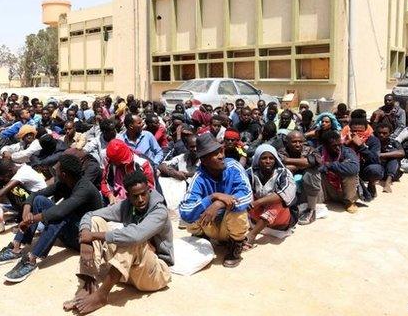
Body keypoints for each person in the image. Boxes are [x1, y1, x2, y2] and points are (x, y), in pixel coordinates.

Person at [63, 171, 173, 314]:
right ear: (128, 196)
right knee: (96, 221)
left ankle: (101, 295)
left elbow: (136, 236)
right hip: (128, 272)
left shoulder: (160, 211)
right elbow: (90, 215)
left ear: (149, 190)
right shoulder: (127, 205)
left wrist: (94, 236)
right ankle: (89, 284)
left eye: (144, 194)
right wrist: (85, 239)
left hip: (154, 274)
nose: (140, 199)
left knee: (132, 238)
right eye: (135, 196)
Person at [0, 154, 104, 283]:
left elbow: (60, 211)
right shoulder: (65, 183)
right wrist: (26, 212)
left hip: (83, 238)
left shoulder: (84, 189)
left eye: (57, 169)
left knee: (60, 216)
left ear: (64, 174)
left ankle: (32, 259)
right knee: (39, 200)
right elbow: (37, 194)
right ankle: (16, 247)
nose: (55, 171)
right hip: (70, 229)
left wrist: (31, 220)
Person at [179, 133, 253, 268]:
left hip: (228, 226)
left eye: (221, 151)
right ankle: (203, 239)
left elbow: (247, 196)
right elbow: (185, 211)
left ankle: (235, 247)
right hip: (209, 226)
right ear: (204, 160)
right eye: (215, 154)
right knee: (193, 211)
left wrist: (219, 203)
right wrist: (212, 197)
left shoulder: (234, 167)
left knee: (239, 211)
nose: (221, 156)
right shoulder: (199, 177)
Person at [246, 144, 297, 249]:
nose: (268, 161)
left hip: (279, 222)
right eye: (264, 158)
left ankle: (252, 235)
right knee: (245, 194)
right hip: (256, 217)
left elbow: (286, 194)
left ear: (276, 160)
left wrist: (258, 202)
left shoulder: (284, 173)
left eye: (271, 158)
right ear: (257, 160)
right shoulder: (250, 173)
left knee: (278, 201)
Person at [278, 131, 323, 225]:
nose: (298, 144)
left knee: (312, 172)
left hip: (310, 192)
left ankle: (311, 210)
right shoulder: (281, 152)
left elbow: (313, 161)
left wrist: (287, 160)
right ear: (287, 142)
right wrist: (302, 164)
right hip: (290, 190)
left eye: (300, 141)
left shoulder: (310, 150)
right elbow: (282, 167)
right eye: (294, 142)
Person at [318, 130, 360, 213]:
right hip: (328, 189)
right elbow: (314, 167)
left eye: (339, 145)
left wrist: (329, 165)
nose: (337, 148)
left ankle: (349, 202)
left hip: (344, 189)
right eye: (333, 146)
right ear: (325, 146)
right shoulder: (318, 151)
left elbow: (353, 168)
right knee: (312, 173)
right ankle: (320, 199)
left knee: (350, 173)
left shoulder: (347, 151)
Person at [101, 139, 155, 204]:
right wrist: (110, 195)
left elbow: (150, 188)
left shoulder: (142, 164)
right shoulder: (112, 164)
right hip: (117, 201)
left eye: (115, 162)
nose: (113, 163)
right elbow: (105, 182)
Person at [343, 118, 382, 199]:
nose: (357, 133)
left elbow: (375, 159)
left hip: (364, 170)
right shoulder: (344, 139)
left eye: (360, 131)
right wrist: (347, 144)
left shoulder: (373, 140)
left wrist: (361, 146)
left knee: (375, 169)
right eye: (354, 131)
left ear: (366, 130)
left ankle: (371, 184)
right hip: (349, 169)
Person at [375, 123, 404, 193]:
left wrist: (382, 155)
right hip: (377, 170)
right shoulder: (373, 142)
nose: (381, 135)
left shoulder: (394, 142)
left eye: (385, 133)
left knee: (394, 158)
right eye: (379, 133)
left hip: (391, 171)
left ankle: (388, 183)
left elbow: (401, 153)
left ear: (390, 133)